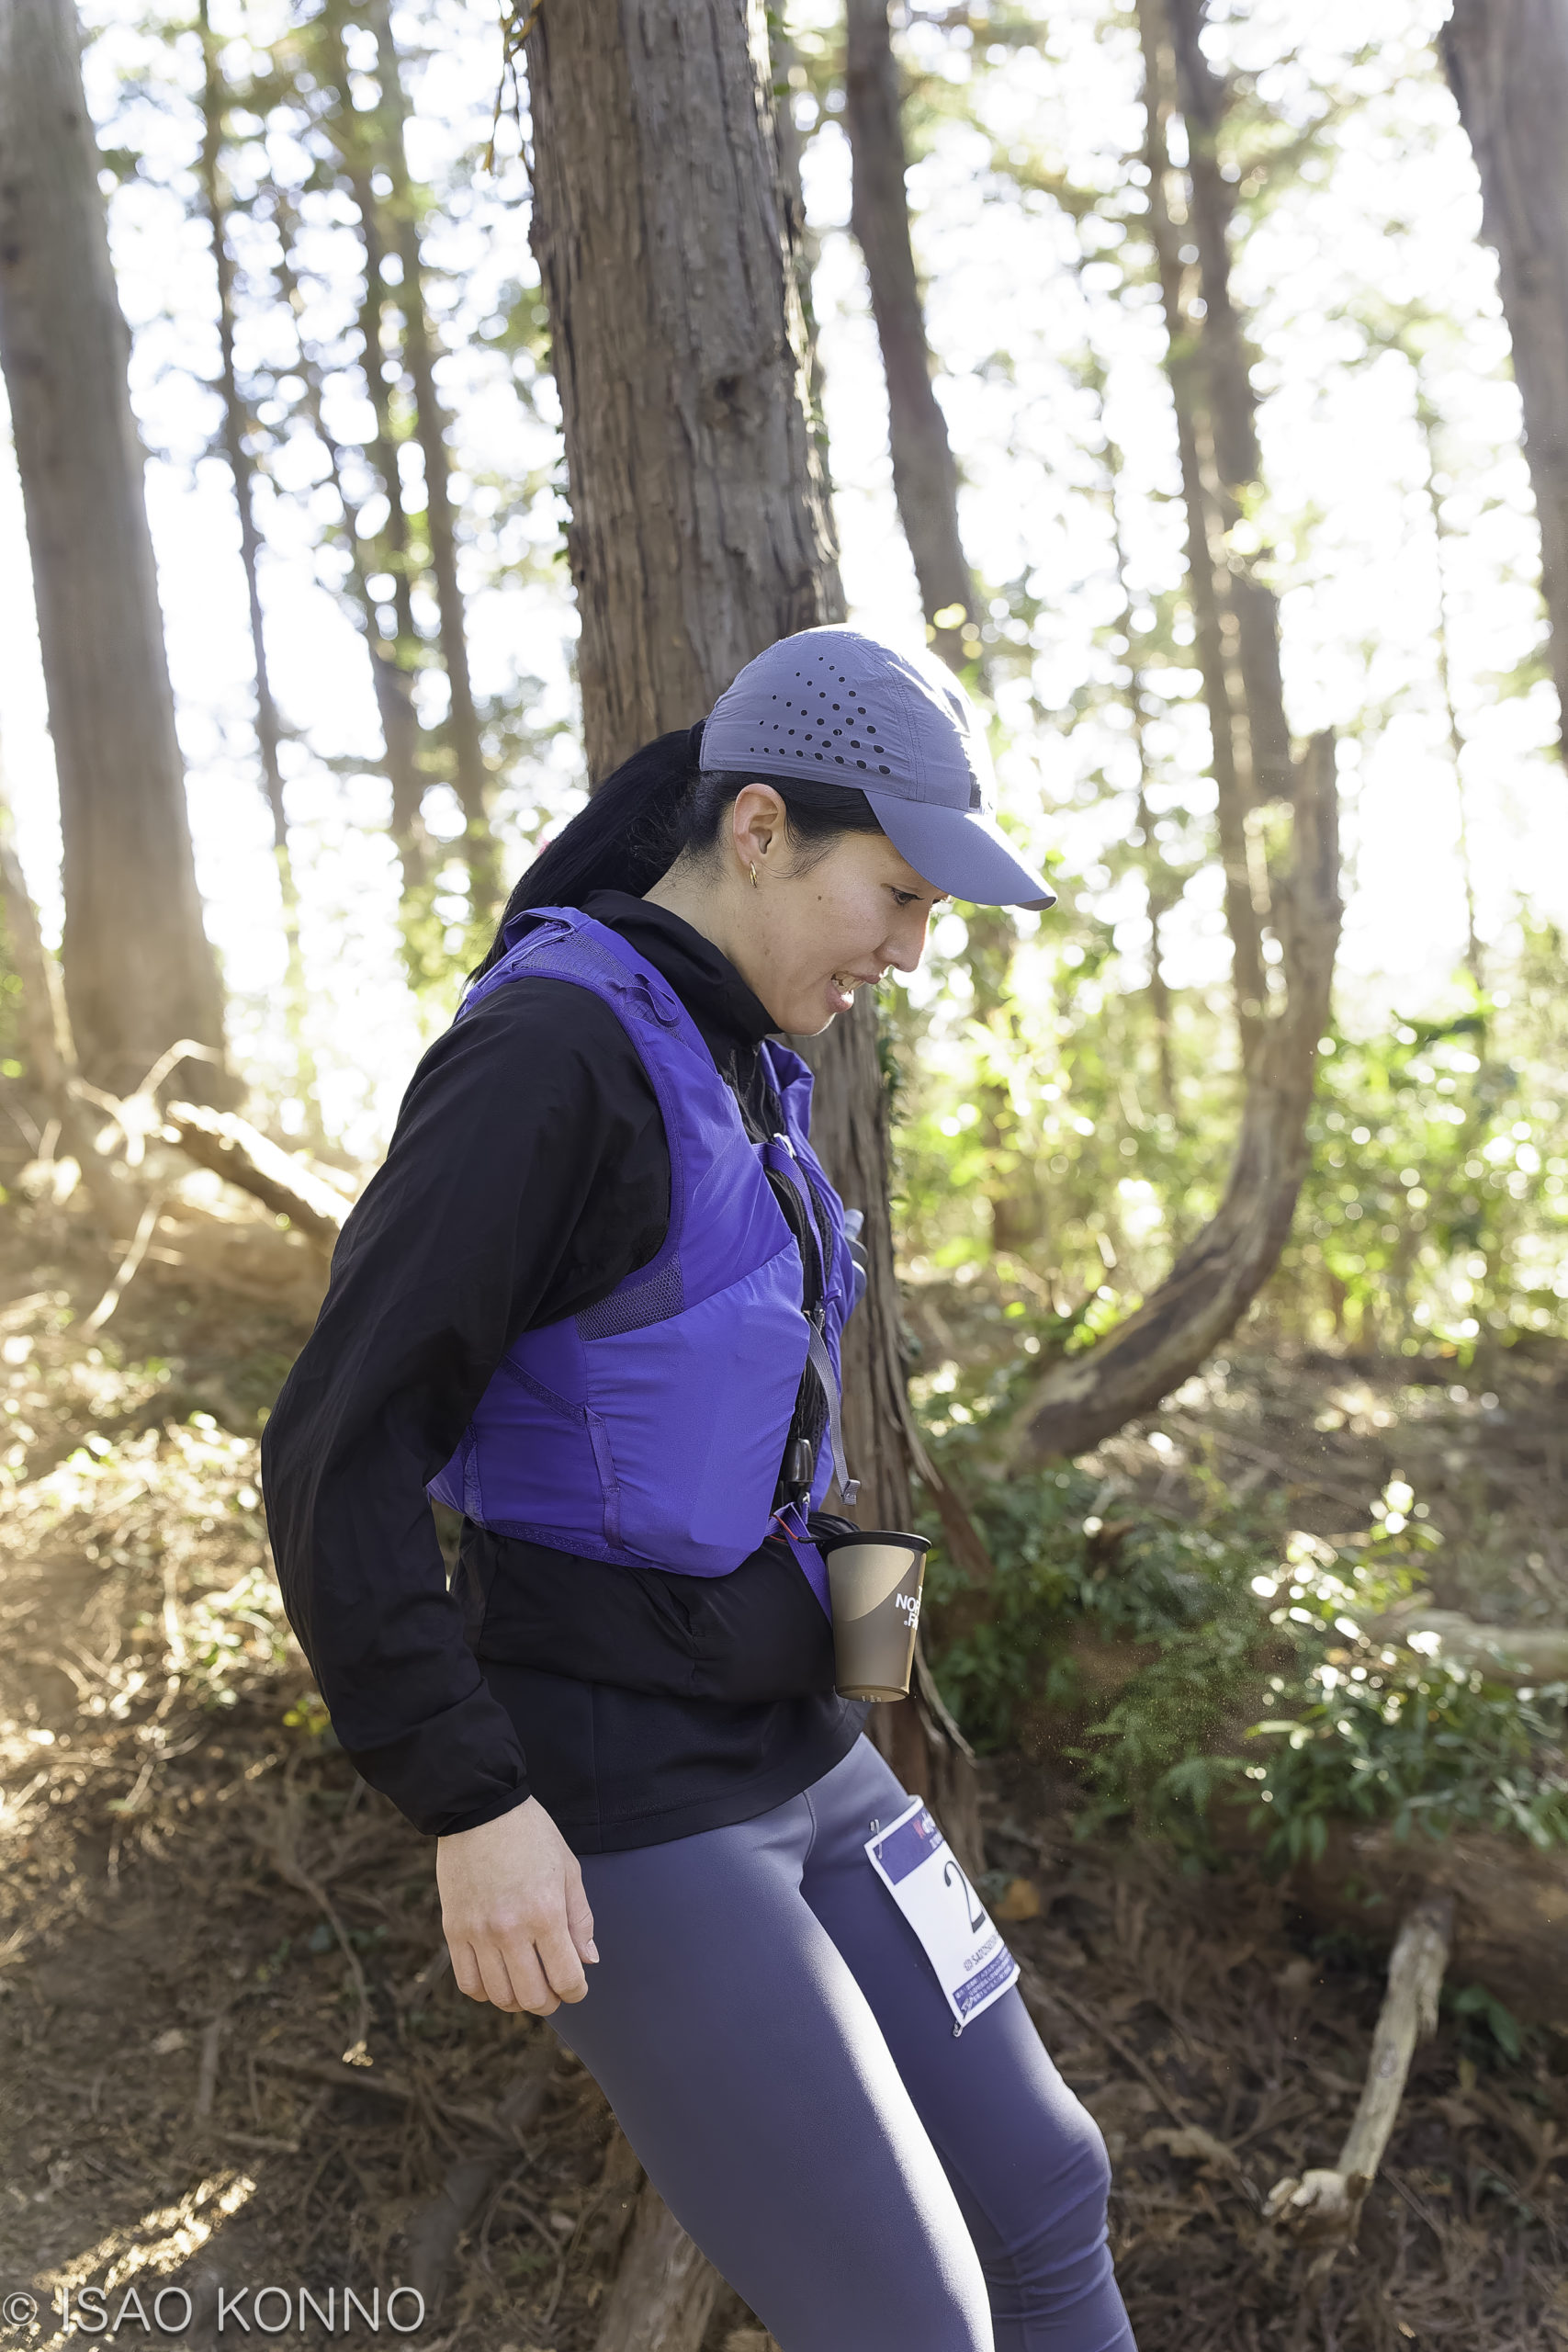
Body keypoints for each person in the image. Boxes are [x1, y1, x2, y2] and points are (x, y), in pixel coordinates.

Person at [263, 627, 1136, 2352]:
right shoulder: (549, 1057)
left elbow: (752, 1405)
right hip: (622, 1791)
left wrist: (868, 1648)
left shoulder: (739, 1047)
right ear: (757, 830)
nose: (910, 949)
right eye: (896, 896)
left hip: (796, 1742)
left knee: (1048, 2192)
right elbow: (332, 1448)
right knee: (913, 2324)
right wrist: (467, 1802)